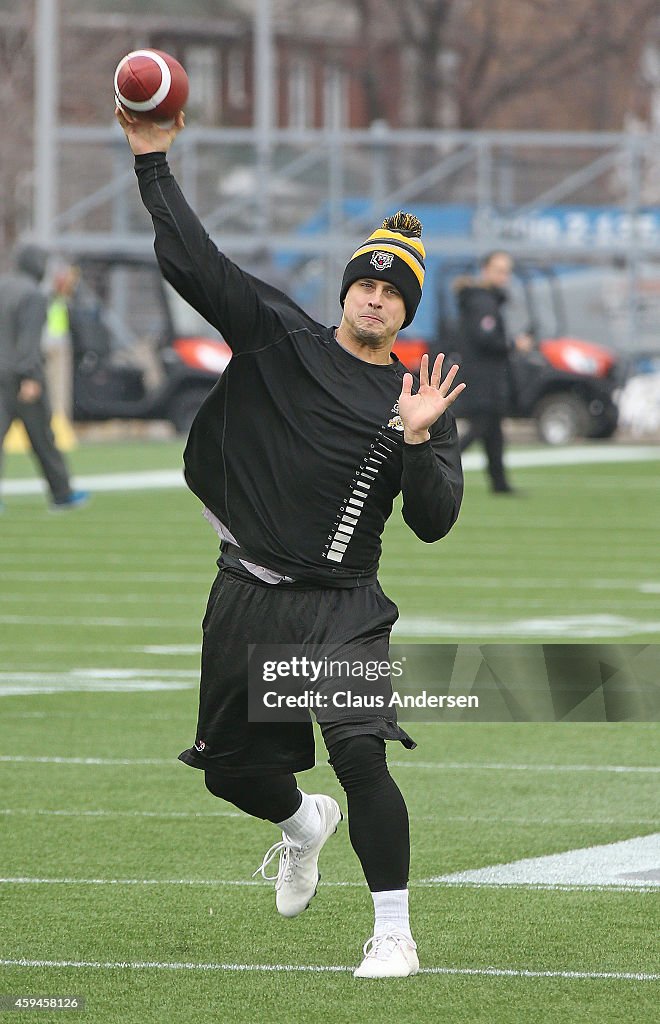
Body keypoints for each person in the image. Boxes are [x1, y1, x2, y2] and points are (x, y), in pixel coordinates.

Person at [117, 106, 465, 979]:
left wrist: (419, 443)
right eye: (365, 282)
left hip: (344, 602)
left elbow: (435, 520)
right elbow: (197, 264)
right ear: (346, 288)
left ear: (406, 309)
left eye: (392, 290)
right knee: (229, 774)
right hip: (247, 593)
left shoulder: (415, 401)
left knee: (361, 751)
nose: (375, 295)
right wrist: (153, 160)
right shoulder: (281, 339)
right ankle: (301, 825)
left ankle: (393, 932)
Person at [0, 243, 89, 511]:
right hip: (21, 377)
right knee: (43, 438)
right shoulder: (34, 295)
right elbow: (27, 341)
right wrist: (30, 377)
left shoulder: (3, 286)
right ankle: (62, 493)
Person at [453, 250, 533, 494]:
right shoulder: (483, 302)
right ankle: (440, 461)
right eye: (499, 270)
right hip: (482, 377)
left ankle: (499, 483)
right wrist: (513, 344)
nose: (504, 277)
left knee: (493, 431)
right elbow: (484, 338)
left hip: (487, 376)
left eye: (507, 271)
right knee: (480, 426)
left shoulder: (484, 300)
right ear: (485, 270)